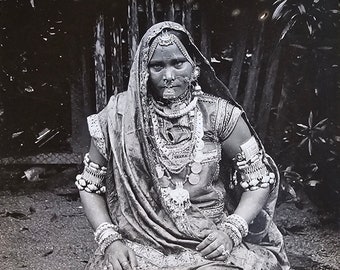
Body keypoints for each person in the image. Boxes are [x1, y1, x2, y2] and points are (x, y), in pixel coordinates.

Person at [75, 21, 290, 270]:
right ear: (143, 71)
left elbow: (260, 179)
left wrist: (232, 231)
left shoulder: (220, 115)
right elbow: (90, 185)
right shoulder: (117, 118)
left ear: (194, 67)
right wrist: (109, 241)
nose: (168, 76)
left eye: (178, 63)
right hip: (139, 243)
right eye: (157, 66)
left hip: (208, 241)